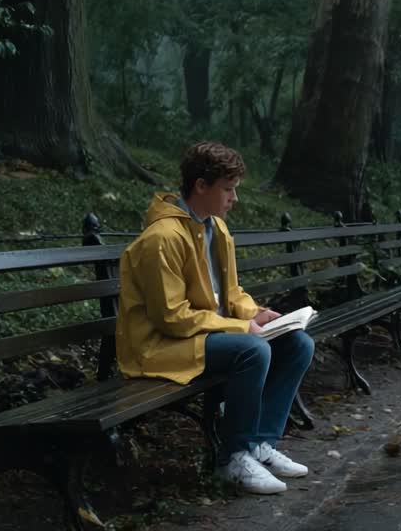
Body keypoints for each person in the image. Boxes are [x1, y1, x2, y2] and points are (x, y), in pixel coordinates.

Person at [117, 142, 313, 495]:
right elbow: (171, 317)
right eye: (228, 189)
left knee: (298, 343)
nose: (234, 198)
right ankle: (233, 458)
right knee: (253, 349)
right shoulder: (162, 238)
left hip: (203, 335)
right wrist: (242, 327)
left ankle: (260, 444)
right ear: (201, 186)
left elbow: (231, 293)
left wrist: (256, 313)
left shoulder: (216, 228)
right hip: (160, 346)